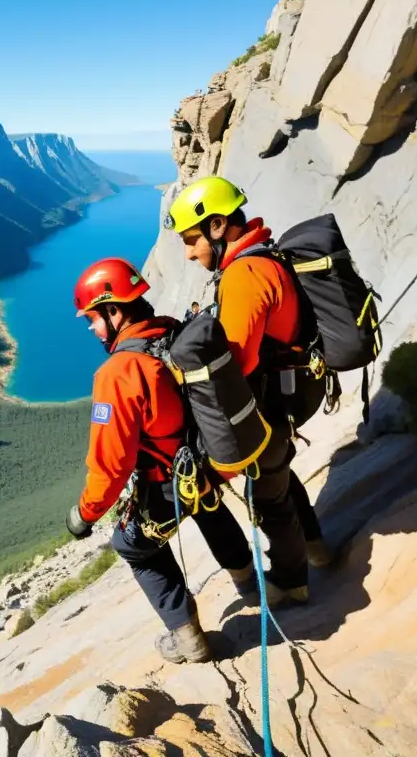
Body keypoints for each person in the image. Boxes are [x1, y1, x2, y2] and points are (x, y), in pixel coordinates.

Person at [64, 257, 258, 664]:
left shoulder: (118, 373)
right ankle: (251, 586)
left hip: (166, 482)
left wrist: (84, 515)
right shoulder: (171, 331)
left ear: (114, 310)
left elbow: (111, 463)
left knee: (134, 546)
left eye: (93, 318)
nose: (90, 328)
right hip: (204, 464)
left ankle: (188, 638)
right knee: (210, 508)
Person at [163, 175, 334, 607]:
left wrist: (180, 378)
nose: (188, 253)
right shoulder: (262, 257)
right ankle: (316, 546)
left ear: (218, 226)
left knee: (268, 493)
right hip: (292, 388)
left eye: (192, 240)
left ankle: (293, 581)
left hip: (272, 402)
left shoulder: (245, 274)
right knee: (279, 476)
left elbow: (235, 364)